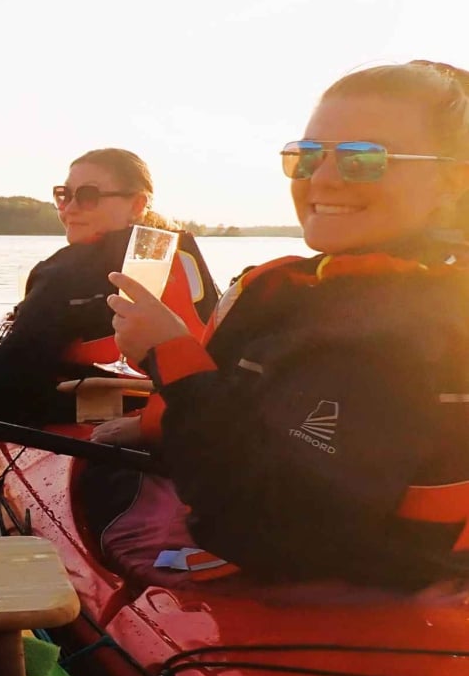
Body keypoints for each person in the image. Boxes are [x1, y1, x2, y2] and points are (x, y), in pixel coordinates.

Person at [107, 60, 469, 591]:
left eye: (365, 159)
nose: (322, 178)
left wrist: (171, 357)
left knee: (105, 498)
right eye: (307, 157)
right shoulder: (363, 293)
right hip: (382, 564)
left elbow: (270, 531)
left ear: (452, 180)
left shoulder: (396, 328)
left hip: (350, 594)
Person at [0, 148, 217, 427]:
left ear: (137, 204)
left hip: (109, 440)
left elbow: (0, 392)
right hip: (190, 417)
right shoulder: (185, 255)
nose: (70, 209)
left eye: (88, 196)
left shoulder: (64, 272)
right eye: (64, 195)